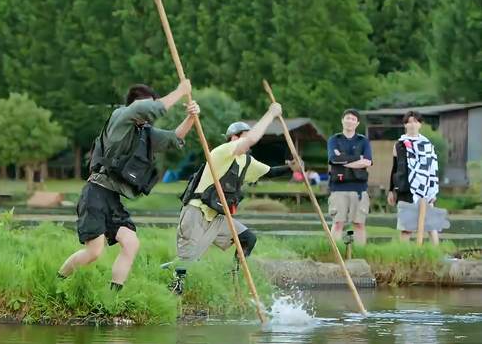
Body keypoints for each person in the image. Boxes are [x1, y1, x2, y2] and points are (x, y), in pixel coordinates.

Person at [57, 80, 198, 291]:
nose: (149, 112)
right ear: (136, 105)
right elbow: (149, 108)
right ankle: (58, 280)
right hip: (95, 192)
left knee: (131, 243)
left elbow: (173, 138)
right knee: (94, 252)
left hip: (112, 198)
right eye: (147, 105)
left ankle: (113, 295)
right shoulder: (121, 117)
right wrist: (180, 91)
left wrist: (191, 117)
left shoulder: (144, 132)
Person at [165, 104, 301, 292]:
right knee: (187, 263)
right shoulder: (223, 151)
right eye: (244, 137)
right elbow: (253, 138)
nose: (248, 142)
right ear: (234, 138)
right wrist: (271, 113)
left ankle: (235, 275)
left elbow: (269, 172)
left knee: (248, 238)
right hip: (196, 211)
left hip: (219, 217)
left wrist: (292, 168)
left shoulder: (246, 161)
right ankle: (170, 282)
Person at [387, 111, 442, 244]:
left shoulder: (427, 145)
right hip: (405, 189)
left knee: (431, 226)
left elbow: (433, 169)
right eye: (409, 122)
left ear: (420, 124)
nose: (412, 124)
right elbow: (395, 168)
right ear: (405, 125)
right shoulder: (399, 145)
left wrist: (433, 190)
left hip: (424, 190)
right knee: (406, 228)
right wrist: (391, 190)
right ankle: (404, 256)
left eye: (415, 121)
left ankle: (436, 255)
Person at [327, 109, 372, 244]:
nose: (350, 121)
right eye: (347, 118)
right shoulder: (334, 140)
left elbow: (368, 162)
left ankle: (359, 253)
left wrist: (344, 160)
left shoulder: (363, 141)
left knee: (359, 224)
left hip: (359, 189)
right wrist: (358, 159)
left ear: (357, 123)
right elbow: (334, 159)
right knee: (338, 223)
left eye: (353, 119)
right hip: (338, 188)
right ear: (342, 120)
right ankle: (335, 253)